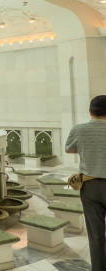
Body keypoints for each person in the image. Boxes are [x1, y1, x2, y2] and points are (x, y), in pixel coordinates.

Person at [65, 95, 106, 271]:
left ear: (90, 112)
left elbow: (69, 149)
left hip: (90, 187)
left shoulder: (79, 129)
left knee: (96, 235)